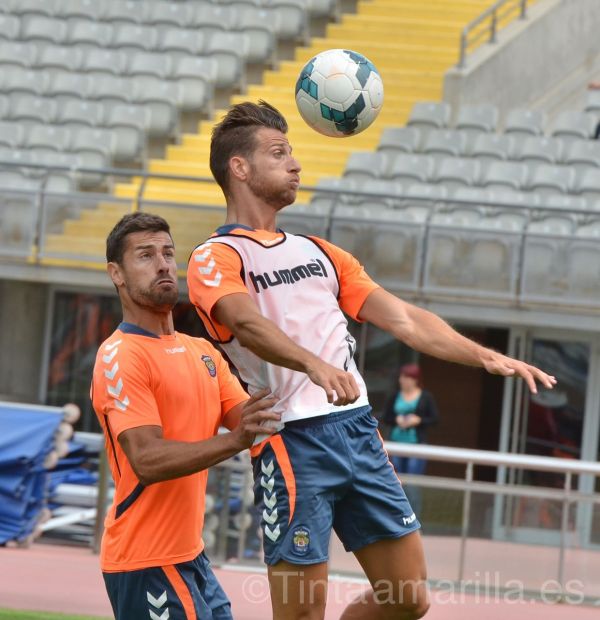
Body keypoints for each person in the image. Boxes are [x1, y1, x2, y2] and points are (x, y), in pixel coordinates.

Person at [186, 100, 557, 620]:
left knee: (409, 598)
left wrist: (484, 356)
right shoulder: (215, 257)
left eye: (292, 152)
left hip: (357, 429)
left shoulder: (320, 252)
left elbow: (404, 319)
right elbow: (245, 323)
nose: (295, 163)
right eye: (279, 153)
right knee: (300, 613)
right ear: (239, 168)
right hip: (291, 439)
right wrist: (313, 364)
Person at [90, 212, 280, 620]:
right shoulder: (120, 356)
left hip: (191, 555)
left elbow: (257, 421)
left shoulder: (203, 351)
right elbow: (147, 460)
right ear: (116, 274)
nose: (162, 264)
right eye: (145, 255)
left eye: (168, 252)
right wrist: (235, 441)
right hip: (145, 560)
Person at [383, 363, 438, 476]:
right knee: (396, 476)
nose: (401, 380)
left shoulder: (426, 397)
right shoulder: (395, 396)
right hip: (396, 443)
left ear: (415, 380)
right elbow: (386, 417)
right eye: (401, 377)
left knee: (413, 477)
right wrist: (396, 419)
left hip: (417, 444)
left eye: (405, 377)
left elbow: (434, 419)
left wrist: (418, 420)